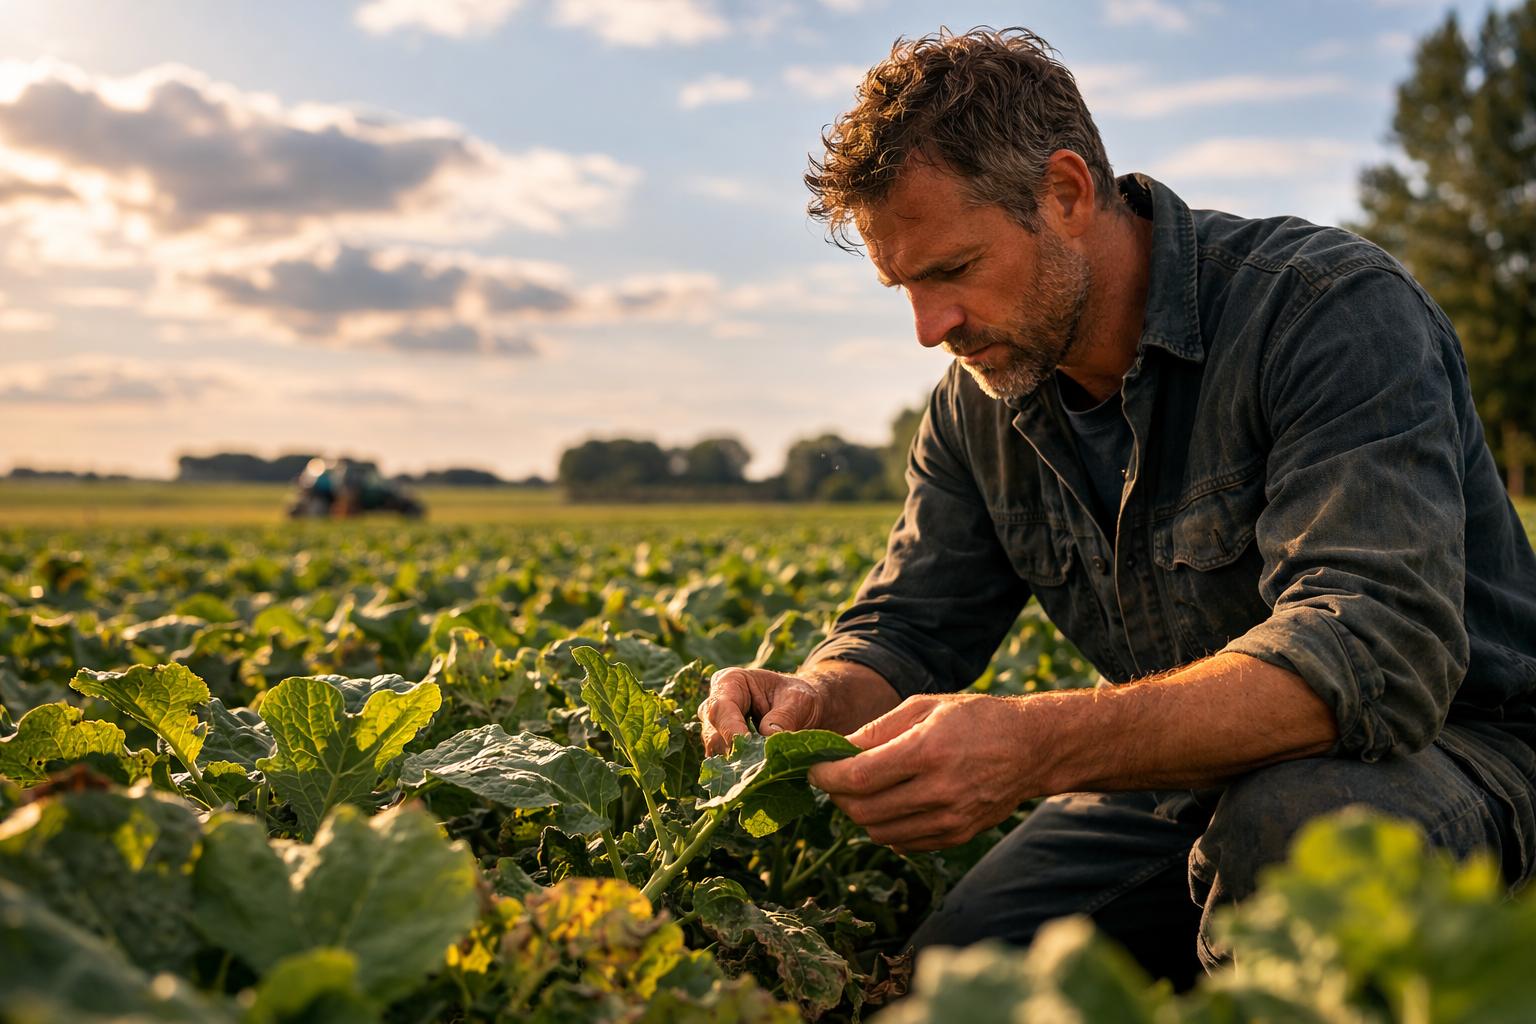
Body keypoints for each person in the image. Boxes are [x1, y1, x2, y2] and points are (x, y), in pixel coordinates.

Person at [696, 27, 1536, 985]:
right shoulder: (980, 403)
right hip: (1184, 776)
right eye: (904, 286)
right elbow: (910, 626)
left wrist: (1037, 744)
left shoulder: (1324, 310)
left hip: (1458, 751)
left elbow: (1370, 651)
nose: (930, 329)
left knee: (1297, 837)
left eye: (953, 270)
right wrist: (814, 697)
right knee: (959, 976)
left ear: (1065, 193)